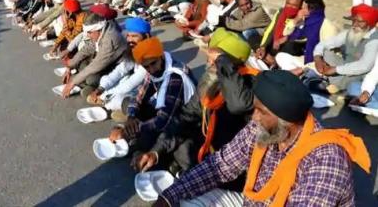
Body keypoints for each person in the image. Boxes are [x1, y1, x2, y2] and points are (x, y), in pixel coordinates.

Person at [154, 70, 370, 207]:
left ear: (287, 119)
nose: (254, 117)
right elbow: (220, 165)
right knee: (185, 199)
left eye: (261, 112)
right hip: (255, 202)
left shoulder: (327, 160)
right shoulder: (264, 128)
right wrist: (169, 196)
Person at [133, 28, 255, 180]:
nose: (208, 62)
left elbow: (238, 104)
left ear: (230, 64)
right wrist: (155, 152)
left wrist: (222, 62)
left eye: (214, 59)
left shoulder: (251, 84)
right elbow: (186, 115)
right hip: (208, 145)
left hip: (234, 159)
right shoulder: (210, 81)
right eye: (211, 58)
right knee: (175, 143)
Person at [109, 37, 196, 155]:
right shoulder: (154, 68)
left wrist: (128, 131)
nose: (151, 69)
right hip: (161, 108)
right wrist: (131, 116)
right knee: (131, 105)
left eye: (153, 63)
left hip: (180, 119)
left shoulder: (175, 77)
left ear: (161, 56)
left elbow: (164, 120)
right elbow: (140, 94)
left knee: (149, 141)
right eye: (146, 67)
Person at [86, 17, 151, 113]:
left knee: (120, 99)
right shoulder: (134, 49)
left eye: (134, 36)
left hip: (147, 90)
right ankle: (114, 106)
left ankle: (123, 111)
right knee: (116, 80)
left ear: (146, 36)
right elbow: (121, 70)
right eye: (128, 36)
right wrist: (101, 89)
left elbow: (132, 83)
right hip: (134, 84)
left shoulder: (150, 56)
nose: (130, 39)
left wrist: (104, 96)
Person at [313, 3, 378, 93]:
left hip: (361, 73)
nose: (355, 25)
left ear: (370, 24)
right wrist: (318, 59)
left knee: (355, 82)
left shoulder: (374, 40)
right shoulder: (350, 32)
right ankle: (332, 83)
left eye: (360, 22)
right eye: (354, 20)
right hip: (344, 67)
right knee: (325, 52)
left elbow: (365, 66)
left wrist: (335, 70)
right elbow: (323, 44)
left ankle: (335, 85)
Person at [61, 12, 127, 98]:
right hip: (104, 64)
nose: (88, 35)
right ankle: (84, 83)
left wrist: (72, 82)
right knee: (82, 65)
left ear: (98, 30)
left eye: (89, 32)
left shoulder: (110, 39)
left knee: (90, 79)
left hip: (116, 69)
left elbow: (96, 65)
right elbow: (85, 50)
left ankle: (96, 88)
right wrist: (70, 65)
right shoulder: (102, 32)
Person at [254, 0, 306, 66]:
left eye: (294, 6)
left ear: (301, 6)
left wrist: (286, 38)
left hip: (291, 48)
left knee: (290, 44)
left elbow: (303, 37)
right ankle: (269, 57)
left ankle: (275, 61)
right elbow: (270, 30)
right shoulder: (281, 11)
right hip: (275, 44)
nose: (289, 7)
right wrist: (263, 47)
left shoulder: (304, 16)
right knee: (253, 37)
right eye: (288, 3)